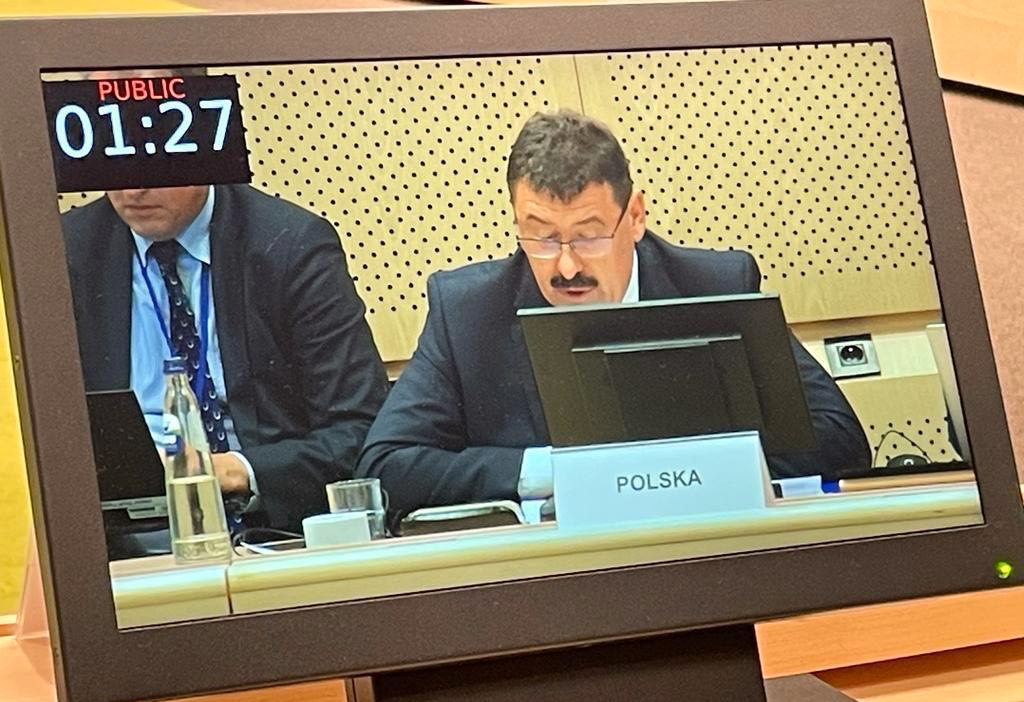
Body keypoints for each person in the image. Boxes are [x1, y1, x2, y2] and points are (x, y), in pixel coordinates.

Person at [357, 110, 870, 522]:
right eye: (542, 237)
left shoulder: (713, 286)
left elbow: (840, 438)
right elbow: (386, 467)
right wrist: (557, 471)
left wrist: (655, 470)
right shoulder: (468, 312)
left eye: (588, 235)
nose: (566, 265)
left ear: (636, 216)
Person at [64, 182, 389, 535]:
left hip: (270, 522)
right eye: (115, 170)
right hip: (126, 532)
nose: (133, 191)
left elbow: (360, 427)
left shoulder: (289, 243)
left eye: (151, 167)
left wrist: (234, 469)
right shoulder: (64, 250)